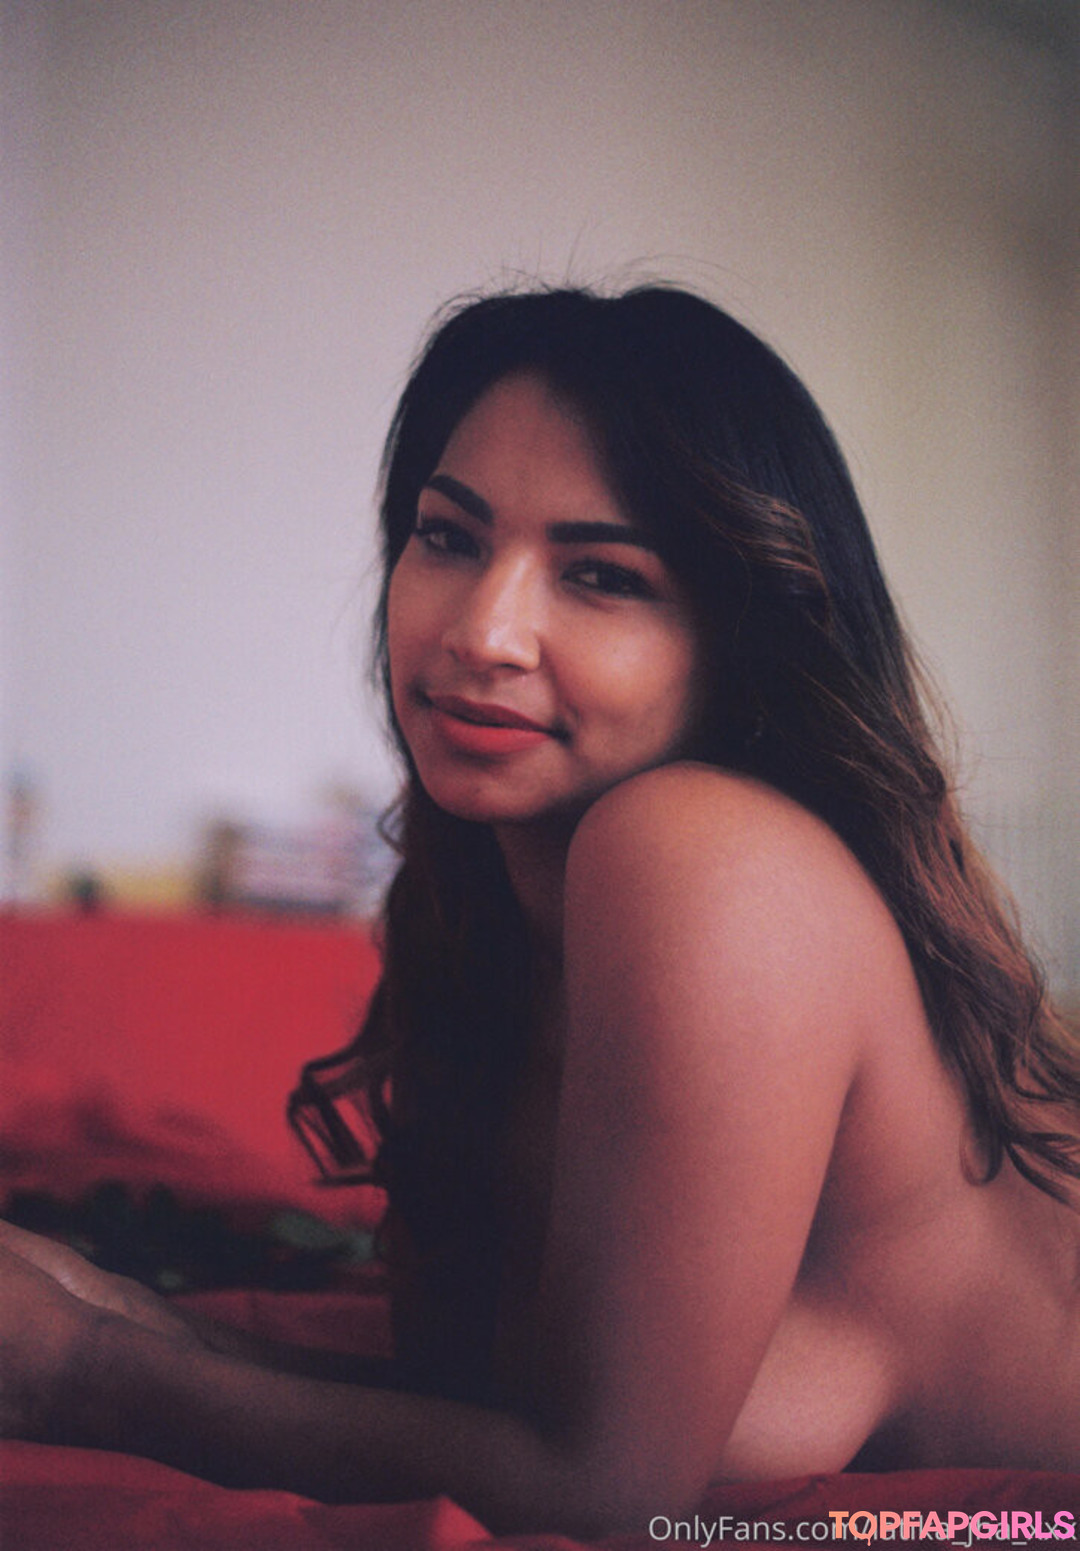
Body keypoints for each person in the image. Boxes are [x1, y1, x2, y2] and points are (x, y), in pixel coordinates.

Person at [2, 285, 1078, 1536]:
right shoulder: (490, 887)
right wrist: (115, 1311)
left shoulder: (706, 856)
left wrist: (81, 1369)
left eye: (601, 576)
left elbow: (599, 1490)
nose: (483, 631)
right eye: (448, 537)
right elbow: (483, 1410)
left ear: (737, 638)